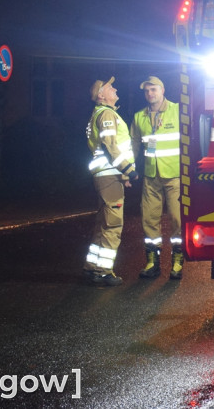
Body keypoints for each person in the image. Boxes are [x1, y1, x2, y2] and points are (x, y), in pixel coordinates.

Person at [84, 77, 138, 287]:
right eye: (109, 87)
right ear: (101, 95)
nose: (114, 88)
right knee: (112, 224)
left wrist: (122, 176)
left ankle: (92, 267)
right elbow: (110, 146)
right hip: (109, 175)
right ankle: (103, 271)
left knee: (102, 223)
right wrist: (128, 170)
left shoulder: (101, 113)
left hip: (107, 175)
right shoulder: (106, 114)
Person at [130, 76, 184, 280]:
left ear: (162, 90)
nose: (150, 94)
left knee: (178, 219)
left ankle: (177, 261)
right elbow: (133, 146)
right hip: (151, 176)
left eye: (153, 89)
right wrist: (128, 170)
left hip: (175, 175)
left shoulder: (177, 110)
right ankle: (152, 263)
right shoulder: (139, 117)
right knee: (149, 219)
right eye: (147, 91)